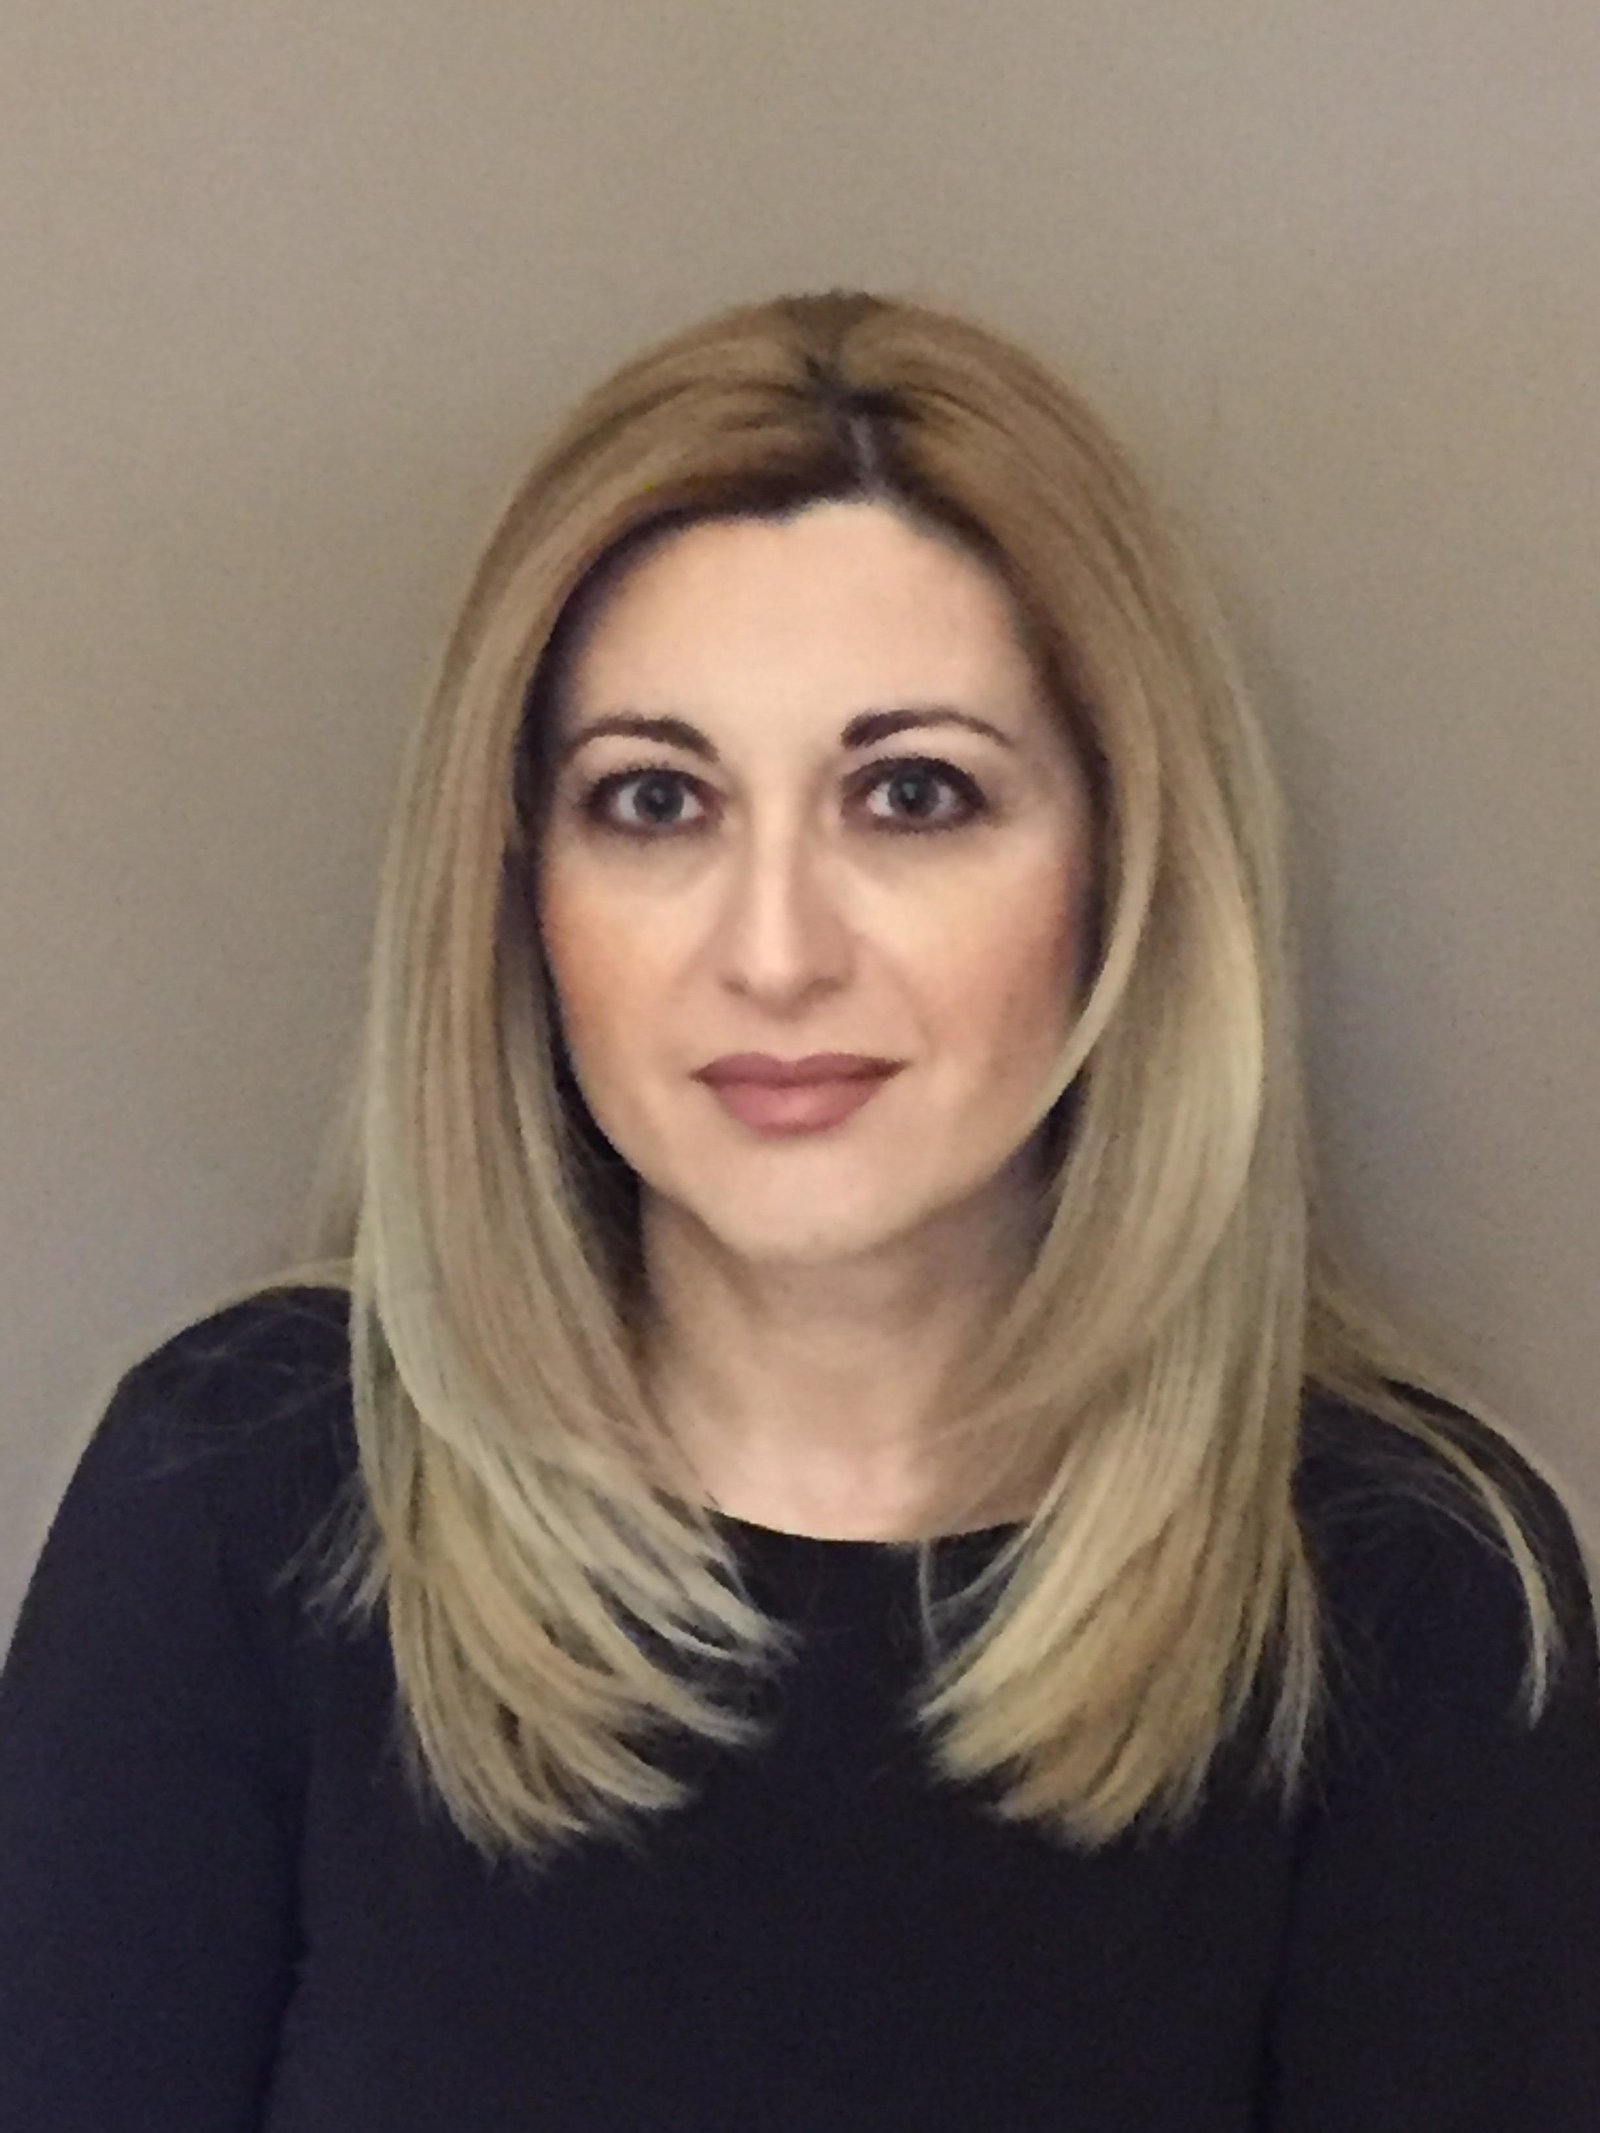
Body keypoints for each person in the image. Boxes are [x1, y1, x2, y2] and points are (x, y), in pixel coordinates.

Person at [1, 287, 1596, 2131]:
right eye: (654, 800)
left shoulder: (1409, 1596)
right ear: (520, 891)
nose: (773, 952)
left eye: (912, 794)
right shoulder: (243, 1499)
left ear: (1125, 872)